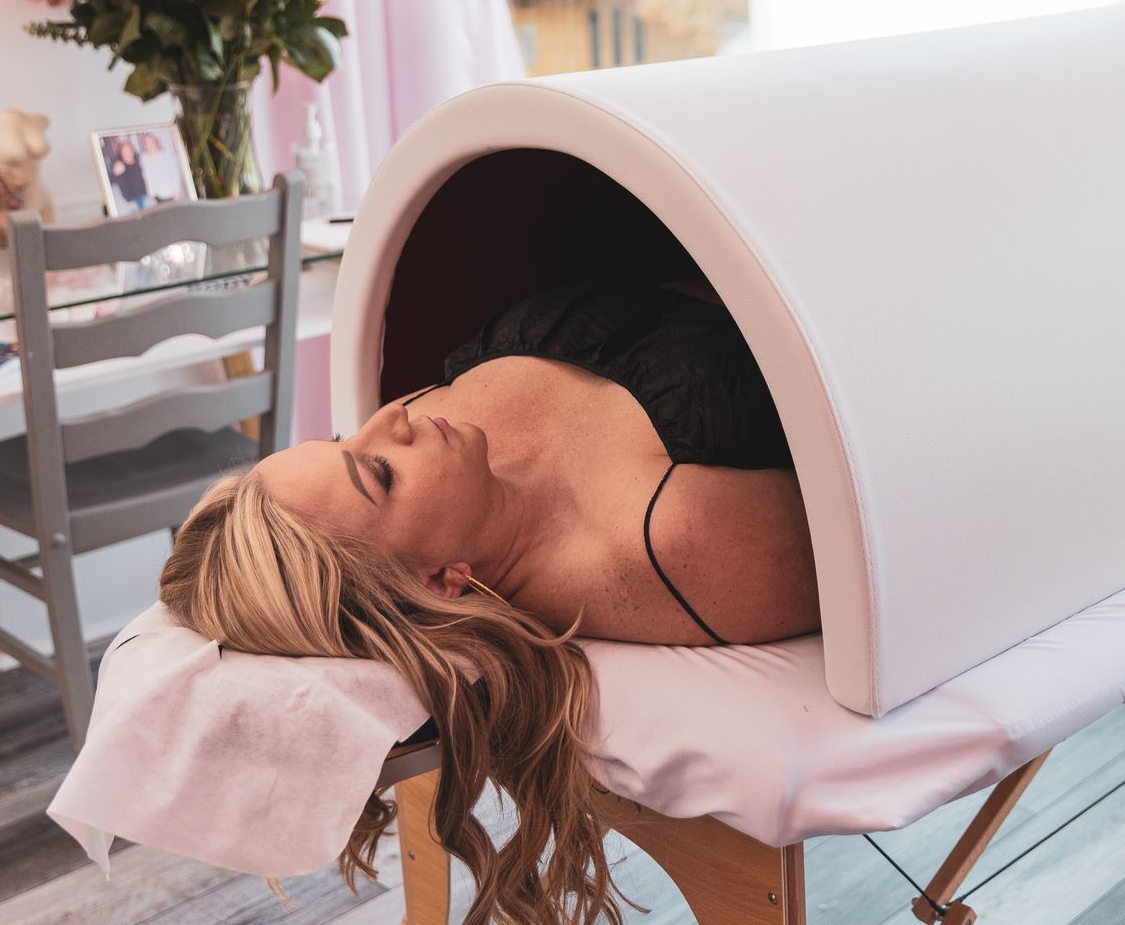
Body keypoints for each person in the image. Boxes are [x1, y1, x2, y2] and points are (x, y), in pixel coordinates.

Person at [158, 277, 815, 925]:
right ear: (441, 579)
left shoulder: (444, 449)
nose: (391, 417)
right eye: (379, 472)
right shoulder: (671, 543)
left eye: (343, 442)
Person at [137, 131, 184, 205]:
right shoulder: (144, 159)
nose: (149, 145)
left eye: (151, 142)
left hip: (171, 193)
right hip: (157, 195)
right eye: (146, 143)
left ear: (156, 141)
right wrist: (152, 195)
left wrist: (177, 191)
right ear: (144, 145)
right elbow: (147, 177)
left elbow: (175, 173)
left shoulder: (166, 154)